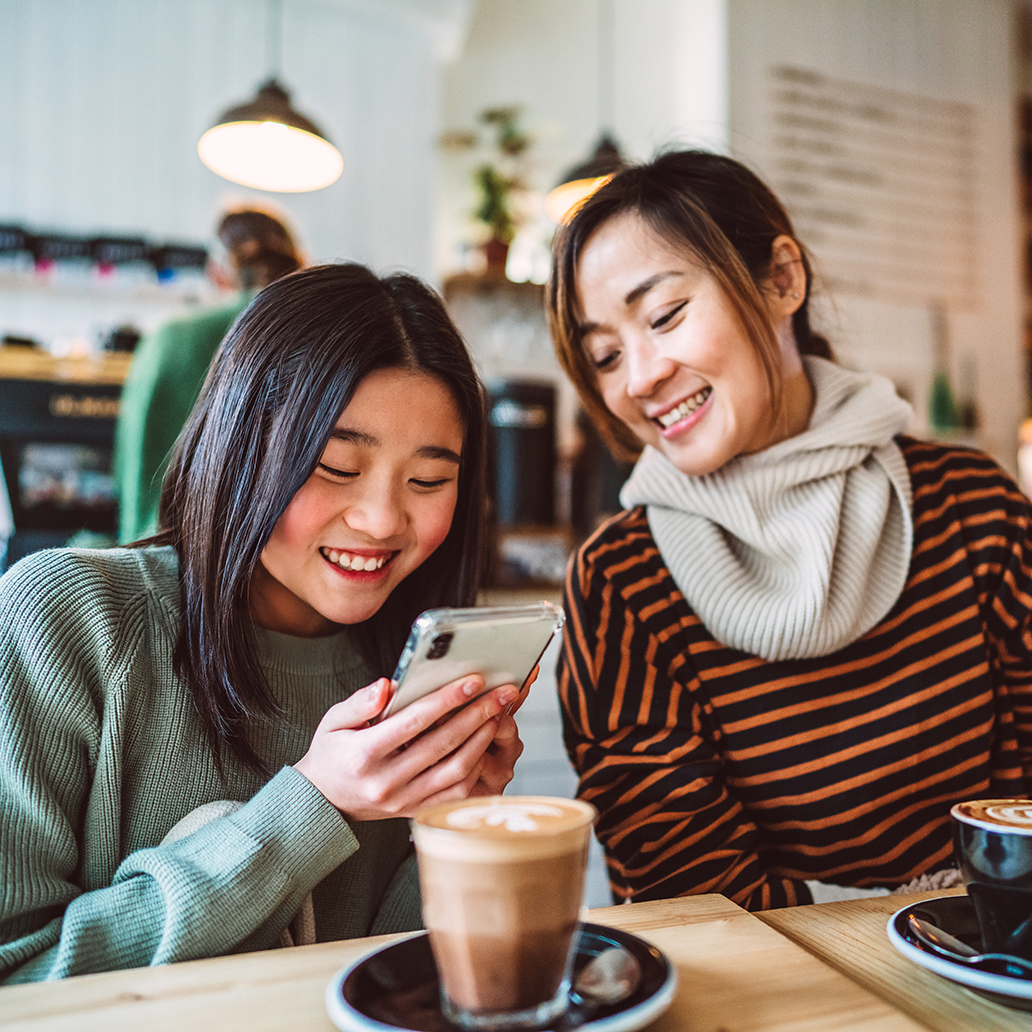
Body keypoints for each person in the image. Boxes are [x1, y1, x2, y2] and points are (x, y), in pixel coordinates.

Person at [0, 263, 525, 982]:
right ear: (238, 444)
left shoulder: (412, 667)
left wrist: (449, 826)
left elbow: (389, 986)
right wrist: (311, 808)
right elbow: (16, 978)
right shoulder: (64, 619)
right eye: (336, 467)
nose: (381, 520)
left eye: (429, 481)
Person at [547, 149, 1032, 911]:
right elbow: (684, 890)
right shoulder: (622, 581)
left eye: (666, 316)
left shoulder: (972, 509)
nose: (638, 378)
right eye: (604, 355)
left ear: (782, 280)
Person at [113, 206, 305, 543]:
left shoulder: (171, 337)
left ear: (217, 270)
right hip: (277, 548)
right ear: (298, 263)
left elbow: (133, 464)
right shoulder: (319, 336)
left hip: (159, 545)